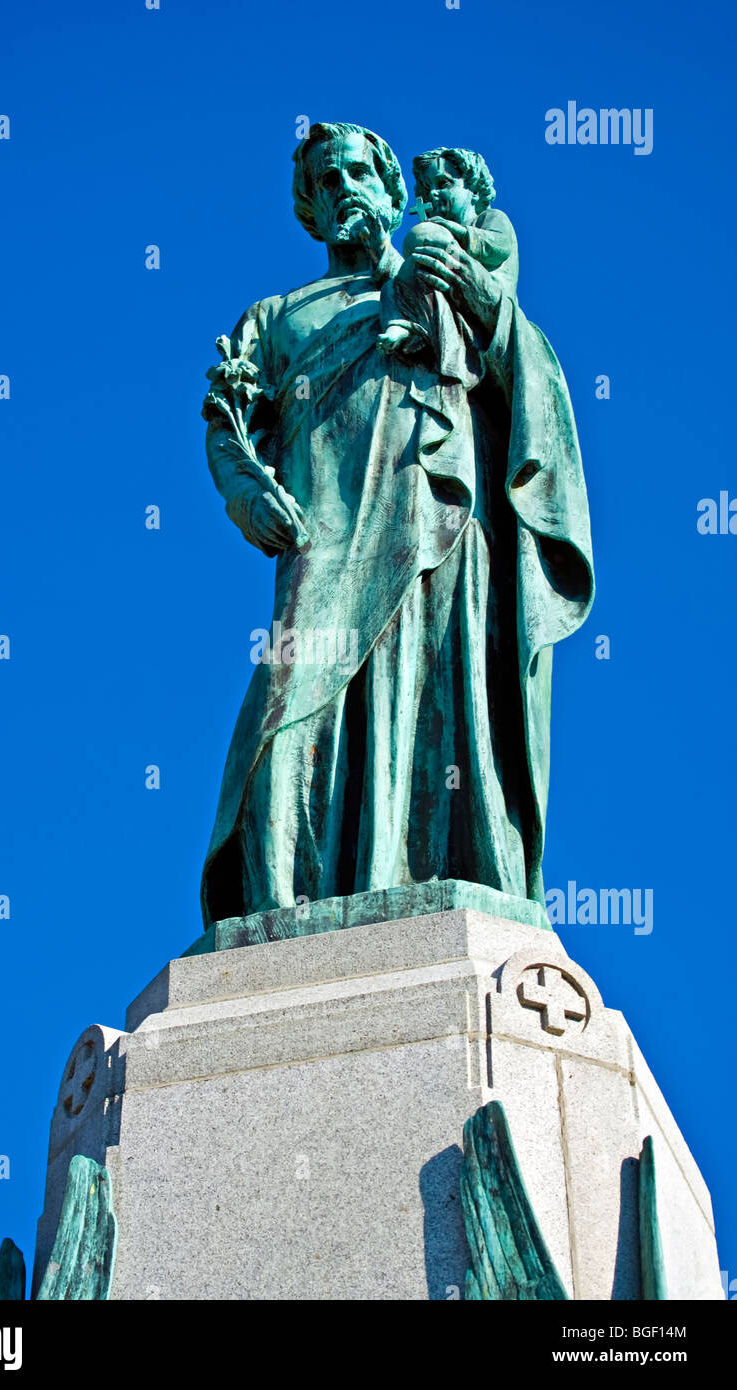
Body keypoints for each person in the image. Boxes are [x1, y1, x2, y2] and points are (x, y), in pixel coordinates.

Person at [199, 122, 593, 935]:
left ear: (390, 189)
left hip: (443, 519)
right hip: (325, 535)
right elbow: (226, 421)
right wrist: (244, 490)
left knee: (441, 691)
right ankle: (282, 912)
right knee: (288, 713)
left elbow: (536, 383)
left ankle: (440, 873)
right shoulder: (276, 319)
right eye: (326, 178)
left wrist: (485, 302)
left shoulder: (443, 279)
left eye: (359, 173)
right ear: (309, 208)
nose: (345, 187)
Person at [378, 147, 517, 375]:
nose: (433, 193)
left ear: (474, 189)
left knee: (427, 249)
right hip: (447, 293)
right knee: (392, 287)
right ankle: (402, 325)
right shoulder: (437, 236)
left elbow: (497, 247)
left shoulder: (491, 218)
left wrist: (457, 234)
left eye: (443, 184)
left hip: (488, 302)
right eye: (428, 187)